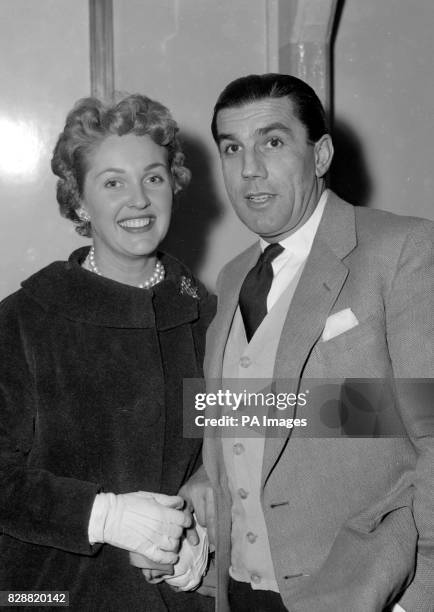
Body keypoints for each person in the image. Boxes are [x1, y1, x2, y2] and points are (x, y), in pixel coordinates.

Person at [181, 74, 434, 611]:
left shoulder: (403, 249)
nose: (249, 168)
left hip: (367, 592)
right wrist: (206, 476)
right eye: (232, 148)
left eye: (272, 142)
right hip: (242, 590)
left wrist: (419, 598)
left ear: (320, 155)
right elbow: (247, 423)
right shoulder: (230, 279)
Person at [0, 94, 215, 611]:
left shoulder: (209, 316)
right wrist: (101, 515)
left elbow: (242, 454)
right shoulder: (25, 321)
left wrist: (201, 537)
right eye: (113, 182)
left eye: (154, 177)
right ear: (78, 201)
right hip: (44, 596)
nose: (138, 200)